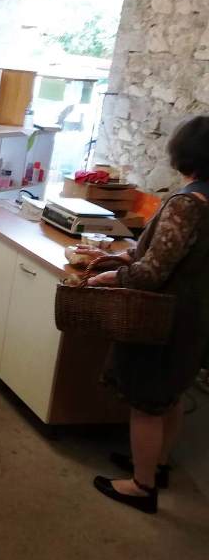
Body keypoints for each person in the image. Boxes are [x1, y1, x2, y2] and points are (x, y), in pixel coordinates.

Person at [87, 116, 209, 514]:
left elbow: (152, 272)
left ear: (185, 154)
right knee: (171, 394)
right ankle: (158, 464)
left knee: (145, 401)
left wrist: (111, 276)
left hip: (163, 318)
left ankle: (142, 486)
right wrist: (126, 255)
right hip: (196, 317)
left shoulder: (187, 204)